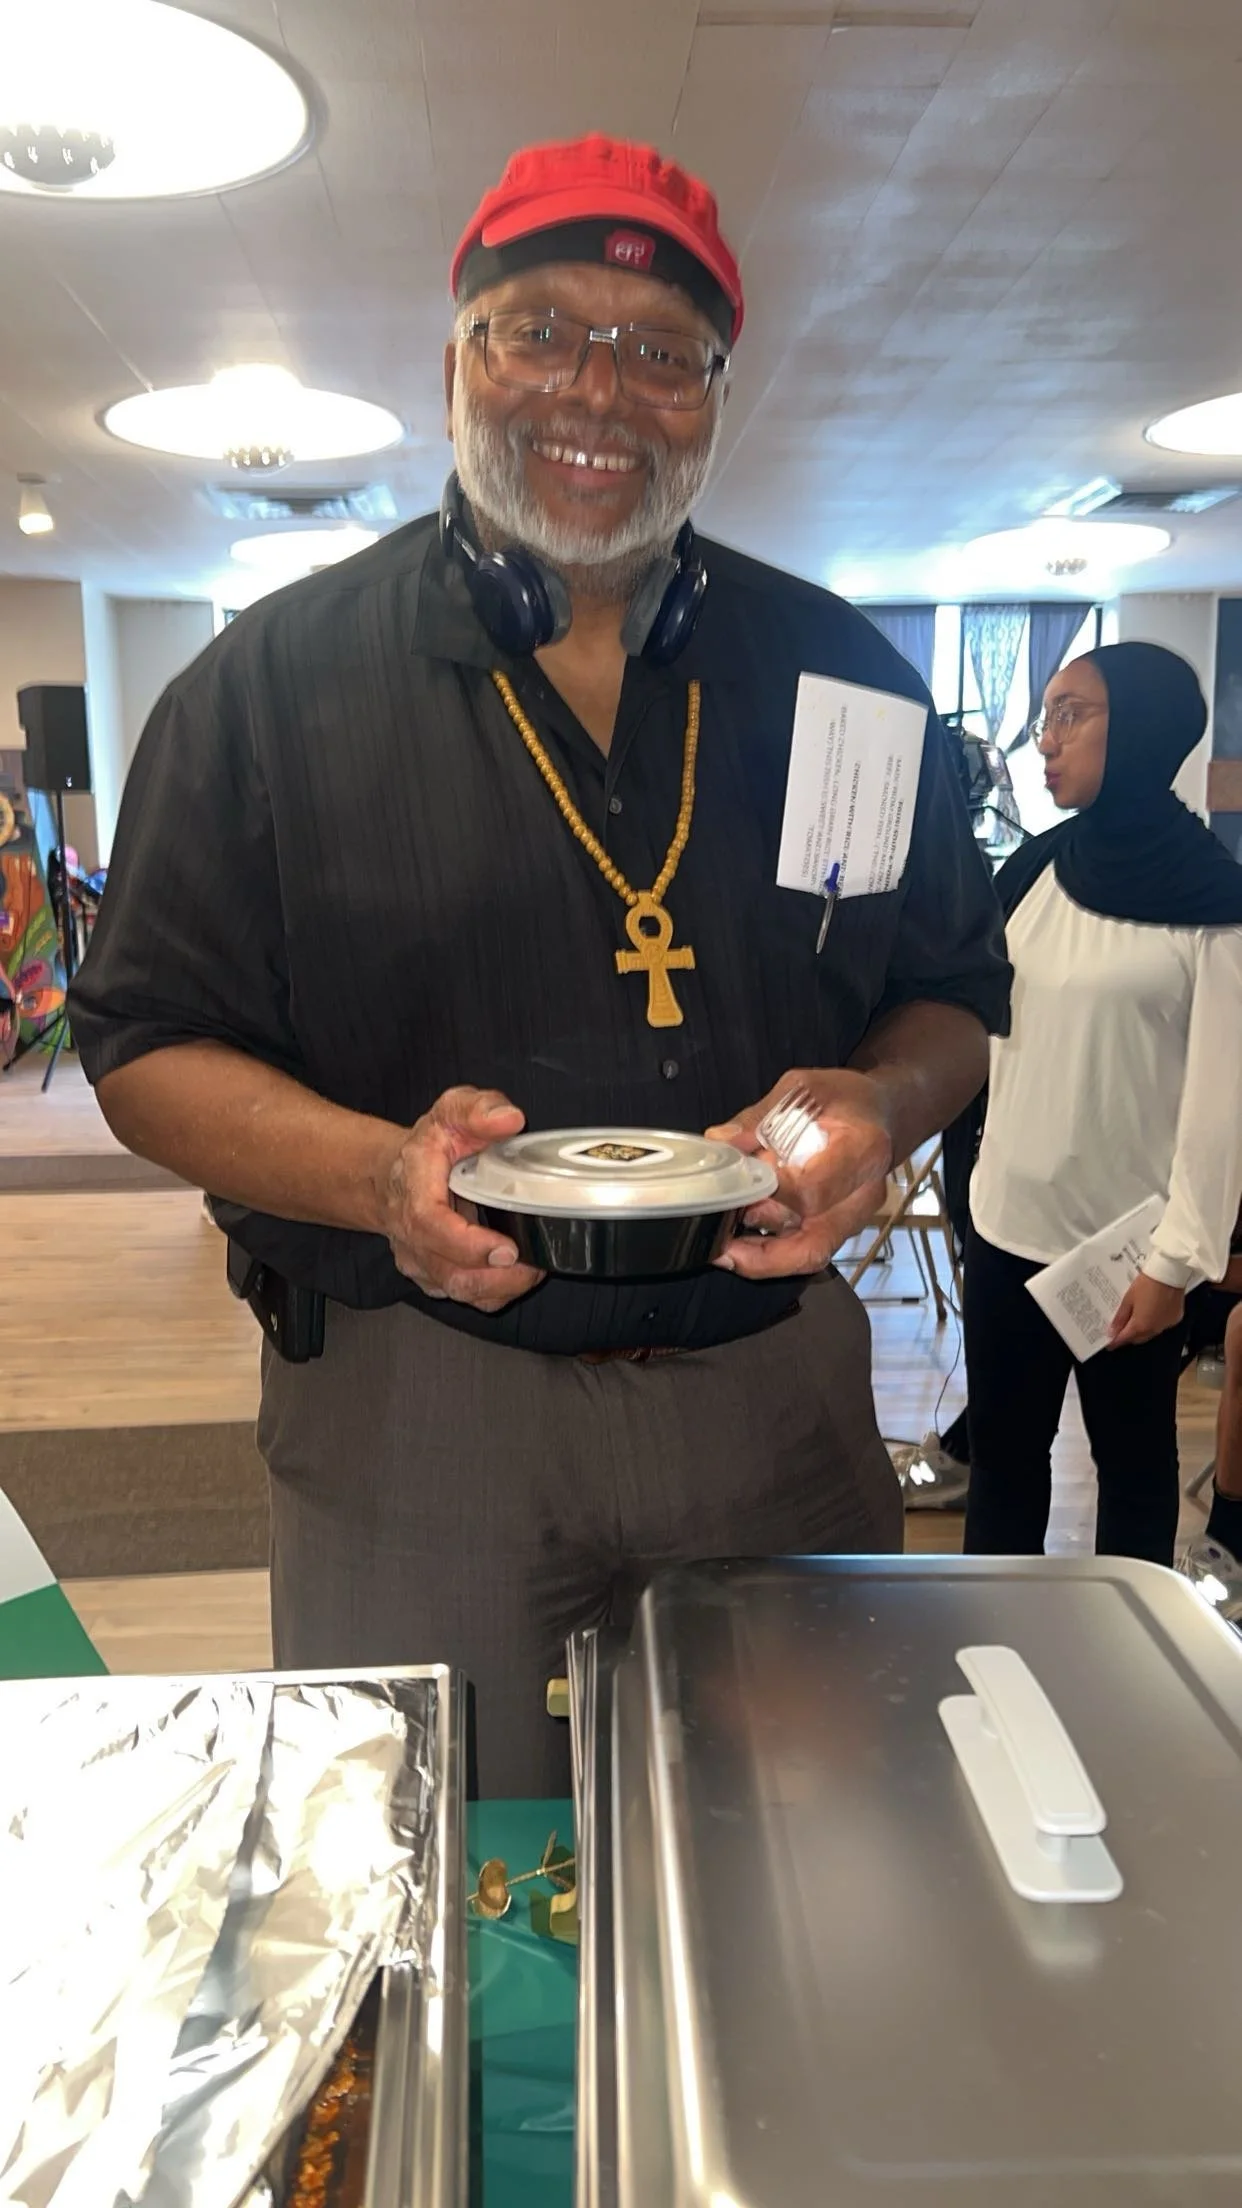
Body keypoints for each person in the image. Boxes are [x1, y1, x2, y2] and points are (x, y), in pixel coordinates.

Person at [69, 134, 1008, 1796]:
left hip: (769, 1386)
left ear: (716, 395)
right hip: (415, 1403)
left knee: (810, 1857)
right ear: (454, 362)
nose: (599, 386)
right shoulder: (269, 686)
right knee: (428, 1871)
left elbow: (949, 991)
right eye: (539, 328)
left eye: (663, 351)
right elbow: (143, 1045)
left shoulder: (842, 680)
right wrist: (377, 1177)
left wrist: (880, 1095)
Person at [963, 642, 1242, 1567]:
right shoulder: (1034, 871)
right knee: (1004, 1469)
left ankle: (1134, 1674)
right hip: (1007, 1232)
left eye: (1071, 714)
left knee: (1131, 1474)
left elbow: (1222, 1104)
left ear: (1145, 729)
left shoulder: (1214, 905)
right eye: (1045, 716)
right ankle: (987, 1655)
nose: (1046, 741)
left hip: (1123, 1262)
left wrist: (1179, 1262)